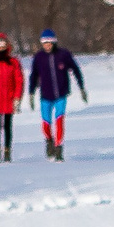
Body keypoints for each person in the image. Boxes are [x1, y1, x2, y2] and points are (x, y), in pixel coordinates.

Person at [28, 28, 88, 160]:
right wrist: (31, 93)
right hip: (45, 96)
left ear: (54, 42)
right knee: (46, 123)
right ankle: (49, 140)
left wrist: (82, 88)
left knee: (59, 121)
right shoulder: (39, 57)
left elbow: (76, 70)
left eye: (49, 43)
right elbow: (33, 75)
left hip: (61, 94)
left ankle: (59, 147)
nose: (47, 45)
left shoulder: (63, 55)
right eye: (45, 43)